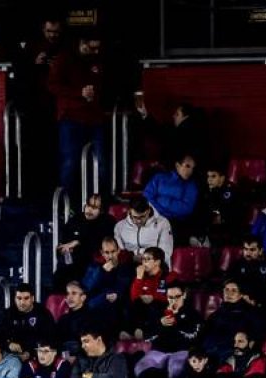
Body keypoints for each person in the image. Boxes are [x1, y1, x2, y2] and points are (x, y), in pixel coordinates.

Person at [49, 33, 107, 200]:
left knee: (101, 162)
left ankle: (98, 202)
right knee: (70, 162)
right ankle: (67, 204)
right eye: (92, 48)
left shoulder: (98, 59)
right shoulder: (64, 58)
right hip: (70, 118)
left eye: (98, 48)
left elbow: (103, 84)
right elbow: (52, 85)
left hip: (95, 117)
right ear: (82, 43)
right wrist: (78, 93)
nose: (95, 51)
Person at [55, 194, 110, 286]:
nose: (90, 210)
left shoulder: (107, 222)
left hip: (91, 265)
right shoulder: (75, 220)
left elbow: (99, 243)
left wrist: (77, 242)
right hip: (72, 263)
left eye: (95, 207)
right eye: (88, 205)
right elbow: (63, 241)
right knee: (59, 274)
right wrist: (64, 249)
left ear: (102, 211)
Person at [143, 155, 199, 233]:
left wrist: (162, 200)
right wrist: (161, 212)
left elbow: (187, 209)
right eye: (187, 166)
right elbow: (147, 196)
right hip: (154, 218)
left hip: (176, 224)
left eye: (193, 168)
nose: (190, 171)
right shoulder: (159, 177)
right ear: (177, 165)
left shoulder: (191, 185)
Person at [113, 196, 173, 261]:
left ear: (148, 211)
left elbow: (165, 252)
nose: (139, 221)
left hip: (154, 263)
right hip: (129, 262)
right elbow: (120, 254)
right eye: (135, 217)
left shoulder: (163, 223)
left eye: (142, 216)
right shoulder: (119, 227)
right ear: (129, 211)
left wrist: (146, 259)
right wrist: (132, 258)